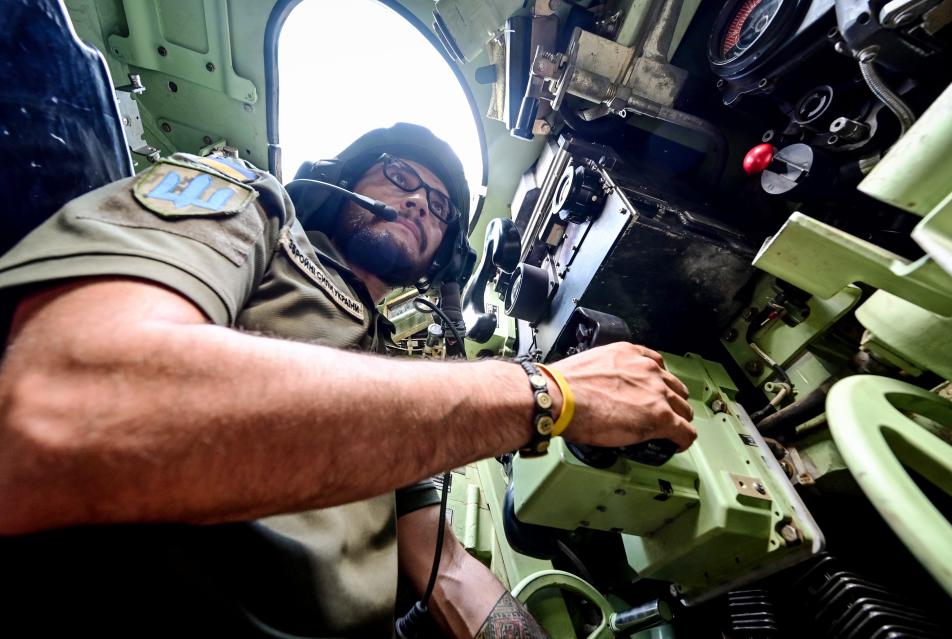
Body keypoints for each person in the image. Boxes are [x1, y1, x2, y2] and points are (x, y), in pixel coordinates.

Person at [0, 122, 696, 637]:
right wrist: (548, 392)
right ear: (347, 176)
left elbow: (442, 564)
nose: (421, 202)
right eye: (400, 175)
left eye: (441, 206)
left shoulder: (391, 371)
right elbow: (72, 407)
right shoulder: (252, 209)